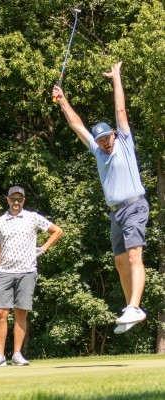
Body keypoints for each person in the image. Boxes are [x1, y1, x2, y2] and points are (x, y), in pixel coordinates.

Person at [52, 61, 149, 334]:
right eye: (101, 140)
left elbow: (120, 109)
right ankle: (131, 312)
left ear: (114, 136)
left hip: (134, 206)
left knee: (133, 257)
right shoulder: (97, 152)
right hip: (115, 212)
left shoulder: (125, 143)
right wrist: (62, 101)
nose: (105, 143)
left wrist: (116, 77)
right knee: (120, 262)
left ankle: (134, 306)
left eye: (107, 138)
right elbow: (76, 124)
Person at [0, 185, 63, 367]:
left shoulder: (32, 218)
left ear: (24, 201)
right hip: (4, 272)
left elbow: (57, 231)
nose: (16, 202)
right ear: (8, 200)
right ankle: (0, 356)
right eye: (13, 199)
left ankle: (17, 354)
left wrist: (43, 249)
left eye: (19, 199)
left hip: (27, 271)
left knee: (21, 312)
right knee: (0, 312)